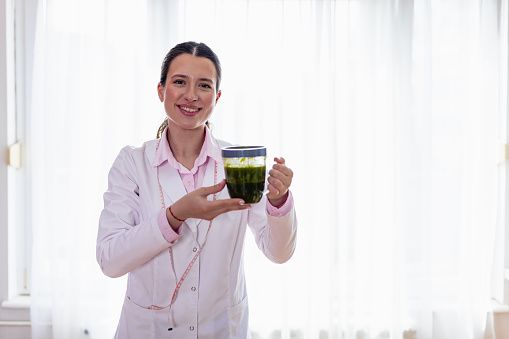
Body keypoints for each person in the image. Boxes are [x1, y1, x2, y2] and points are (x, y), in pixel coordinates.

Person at [96, 41, 297, 339]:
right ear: (161, 90)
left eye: (204, 85)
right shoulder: (132, 163)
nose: (191, 95)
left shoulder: (239, 162)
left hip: (221, 330)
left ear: (216, 97)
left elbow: (278, 252)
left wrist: (279, 203)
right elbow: (110, 260)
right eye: (179, 82)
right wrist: (175, 216)